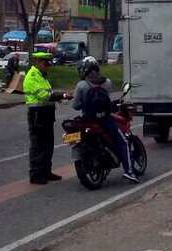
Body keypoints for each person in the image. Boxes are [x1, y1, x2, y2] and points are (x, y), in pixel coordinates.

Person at [79, 66, 138, 183]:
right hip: (105, 119)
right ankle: (128, 171)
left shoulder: (81, 85)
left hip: (89, 119)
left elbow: (75, 105)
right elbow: (108, 101)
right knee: (122, 142)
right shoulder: (107, 82)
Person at [23, 51, 71, 185]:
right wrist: (63, 96)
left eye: (48, 64)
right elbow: (44, 96)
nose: (47, 66)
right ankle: (36, 174)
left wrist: (60, 98)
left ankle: (46, 171)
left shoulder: (42, 76)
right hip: (37, 115)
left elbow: (49, 95)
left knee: (48, 145)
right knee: (38, 145)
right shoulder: (32, 76)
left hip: (46, 114)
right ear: (37, 62)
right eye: (45, 64)